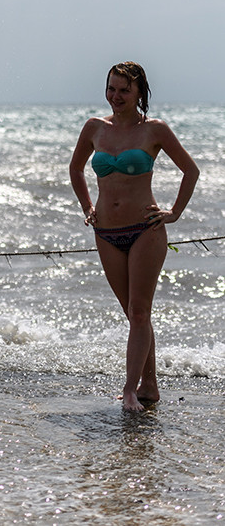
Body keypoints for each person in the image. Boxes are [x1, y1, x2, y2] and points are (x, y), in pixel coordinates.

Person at [69, 61, 198, 413]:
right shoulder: (94, 127)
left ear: (140, 91)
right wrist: (87, 207)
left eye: (124, 89)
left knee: (140, 312)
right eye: (111, 88)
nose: (116, 96)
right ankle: (150, 386)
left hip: (146, 230)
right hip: (106, 233)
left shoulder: (154, 130)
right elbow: (76, 168)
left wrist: (174, 212)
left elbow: (191, 171)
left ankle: (129, 389)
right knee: (133, 313)